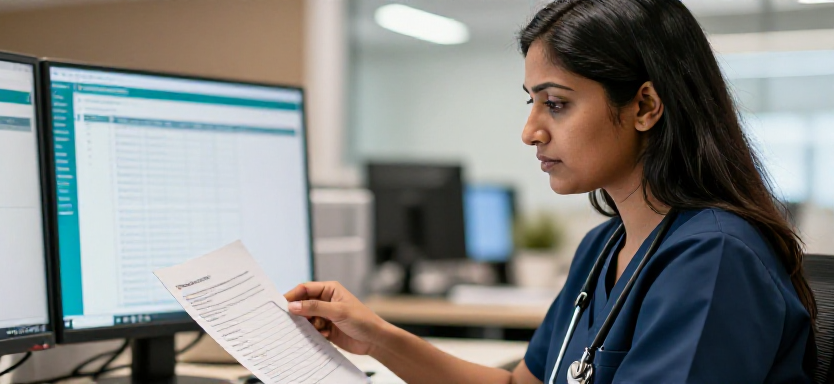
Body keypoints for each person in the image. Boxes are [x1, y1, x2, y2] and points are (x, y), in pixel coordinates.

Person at [285, 0, 817, 383]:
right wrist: (377, 337)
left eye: (557, 103)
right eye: (531, 103)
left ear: (645, 106)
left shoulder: (713, 258)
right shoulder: (604, 246)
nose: (531, 131)